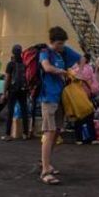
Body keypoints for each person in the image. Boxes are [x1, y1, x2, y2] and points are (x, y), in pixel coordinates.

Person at [39, 26, 81, 185]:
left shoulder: (62, 52)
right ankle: (45, 171)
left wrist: (80, 71)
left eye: (63, 43)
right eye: (59, 43)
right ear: (52, 42)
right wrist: (63, 72)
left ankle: (46, 162)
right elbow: (46, 67)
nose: (61, 46)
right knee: (49, 133)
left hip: (60, 96)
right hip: (48, 97)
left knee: (56, 132)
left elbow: (81, 58)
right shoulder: (45, 52)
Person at [1, 45, 29, 141]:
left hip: (13, 90)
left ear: (13, 52)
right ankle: (25, 133)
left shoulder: (11, 64)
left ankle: (8, 134)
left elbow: (7, 79)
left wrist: (4, 92)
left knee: (10, 111)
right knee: (24, 111)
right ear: (21, 52)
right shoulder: (25, 63)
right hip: (23, 89)